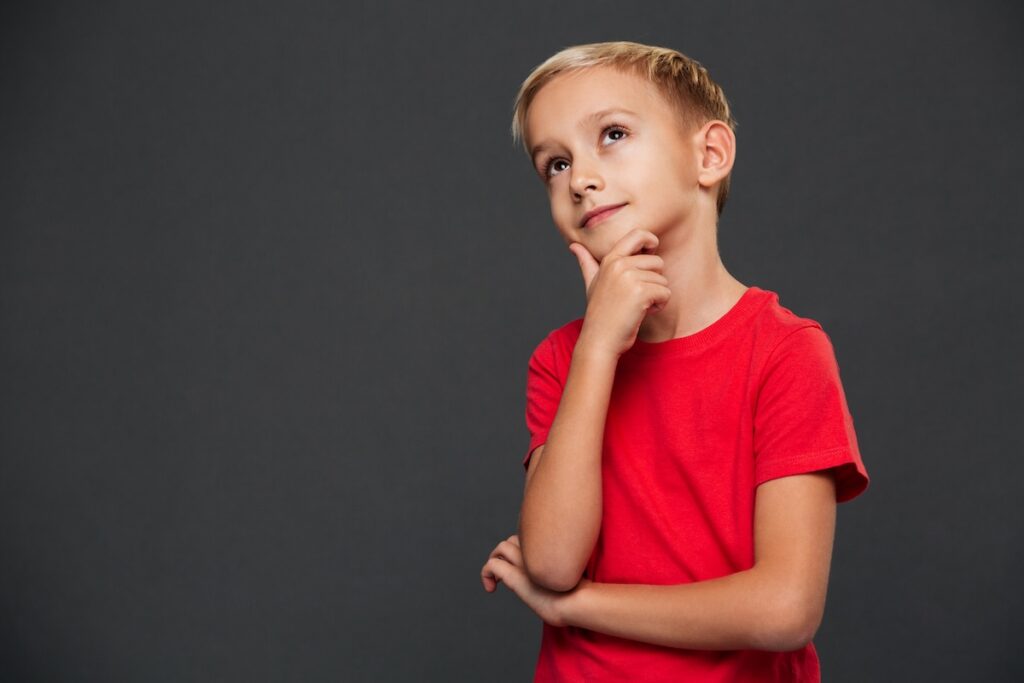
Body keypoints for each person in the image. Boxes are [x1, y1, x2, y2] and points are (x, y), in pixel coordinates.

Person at [479, 41, 869, 682]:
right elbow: (551, 559)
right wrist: (598, 348)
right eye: (554, 164)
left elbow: (784, 610)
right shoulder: (563, 360)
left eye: (612, 134)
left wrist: (580, 606)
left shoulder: (785, 351)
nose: (579, 178)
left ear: (708, 155)